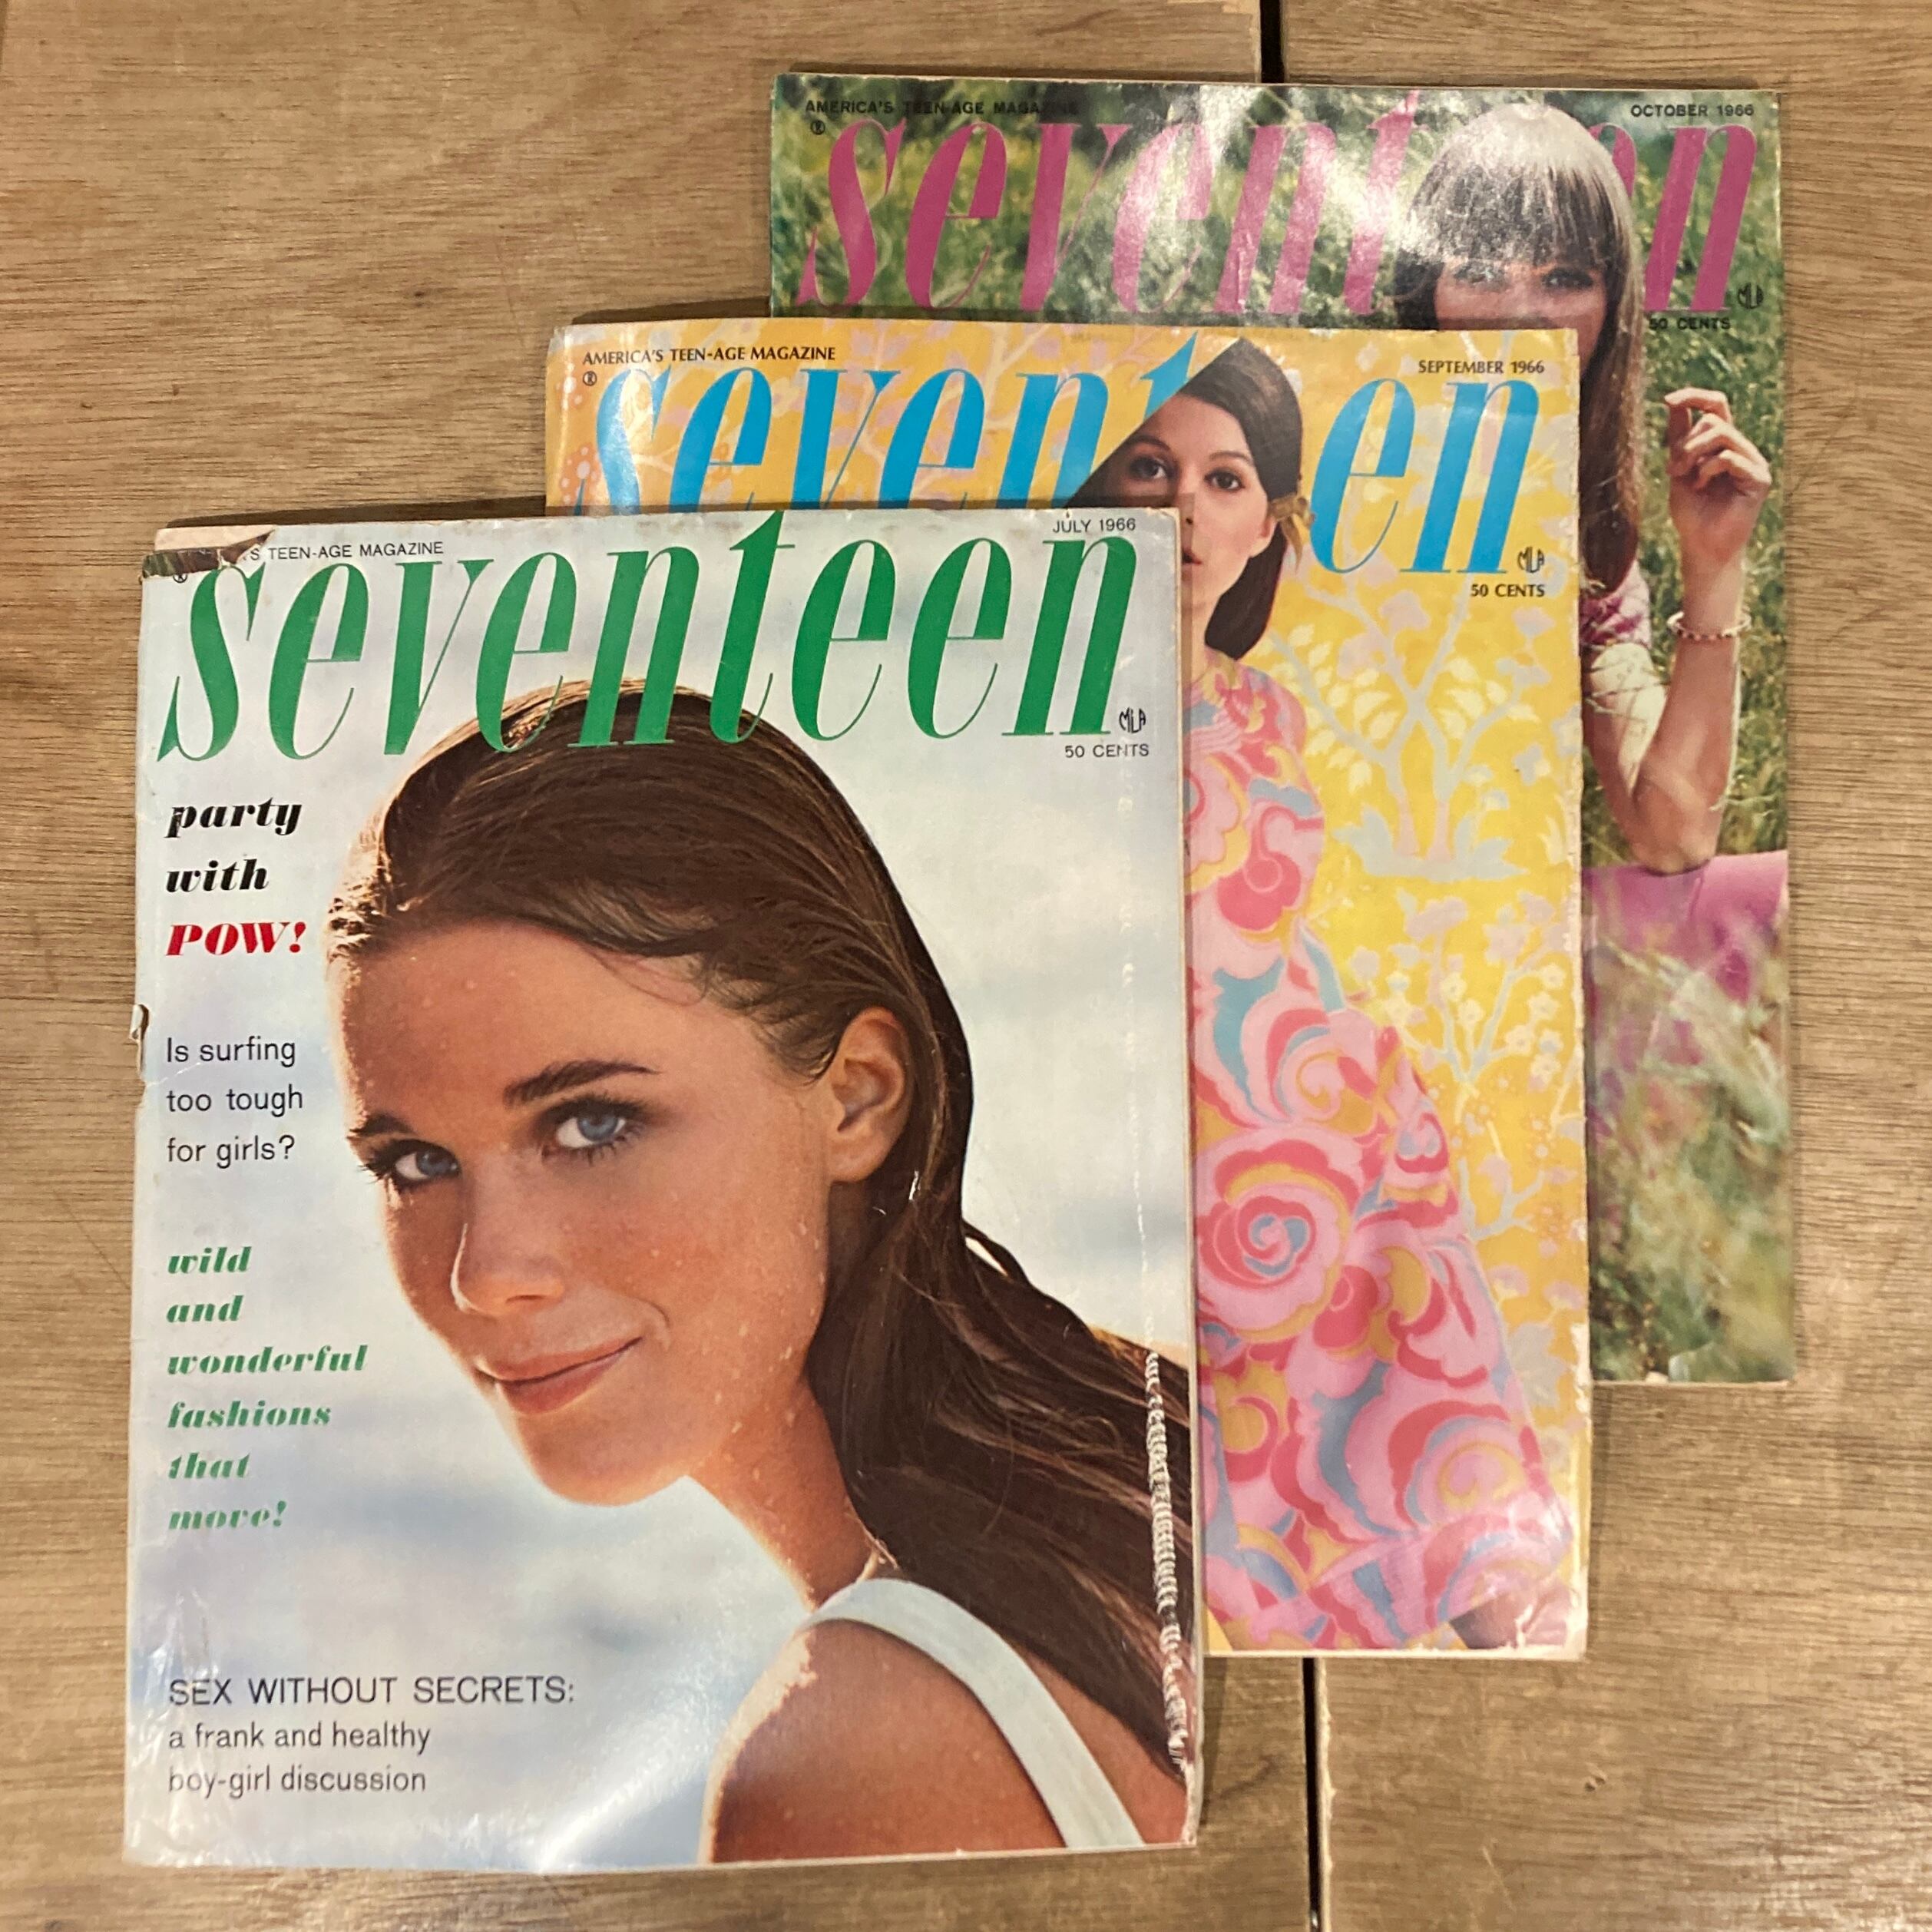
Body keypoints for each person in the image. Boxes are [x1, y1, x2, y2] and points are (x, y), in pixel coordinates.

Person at [325, 683, 1194, 1860]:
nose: (487, 1275)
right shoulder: (1163, 1446)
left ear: (858, 1099)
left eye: (591, 1124)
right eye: (416, 1162)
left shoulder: (855, 1747)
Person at [1072, 341, 1574, 1650]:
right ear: (1100, 489)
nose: (1186, 507)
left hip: (1313, 1096)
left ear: (1266, 526)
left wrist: (1355, 1057)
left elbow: (1269, 928)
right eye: (1151, 468)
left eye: (1224, 480)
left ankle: (1492, 1599)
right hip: (1159, 1106)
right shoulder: (1043, 702)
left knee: (1421, 1314)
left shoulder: (1267, 712)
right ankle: (1366, 1603)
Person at [1391, 102, 1790, 1378]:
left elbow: (1669, 829)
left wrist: (1712, 568)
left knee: (1784, 913)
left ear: (1613, 309)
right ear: (1416, 288)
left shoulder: (1581, 528)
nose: (1522, 309)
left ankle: (1683, 1302)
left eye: (1565, 275)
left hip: (1503, 951)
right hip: (1335, 955)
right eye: (1480, 268)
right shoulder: (1290, 466)